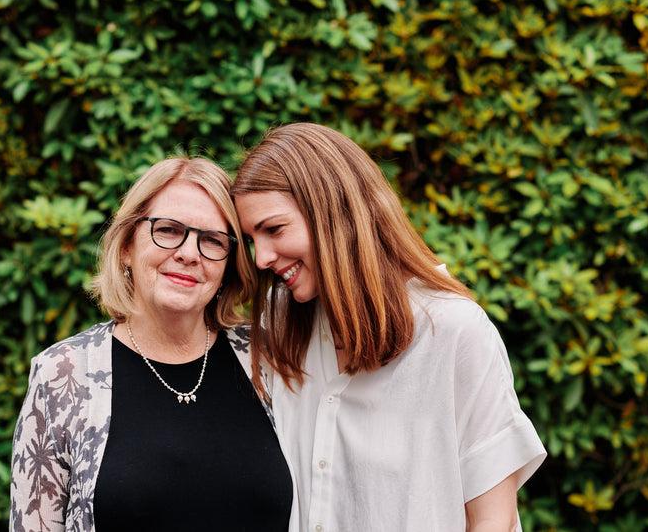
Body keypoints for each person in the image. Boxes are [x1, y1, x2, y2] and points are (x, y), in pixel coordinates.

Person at [232, 123, 546, 532]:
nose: (261, 259)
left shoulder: (453, 333)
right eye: (252, 238)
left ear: (334, 213)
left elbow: (493, 520)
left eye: (274, 229)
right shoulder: (278, 323)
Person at [10, 157, 295, 531]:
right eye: (168, 230)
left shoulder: (266, 356)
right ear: (127, 244)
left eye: (211, 240)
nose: (189, 254)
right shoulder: (64, 375)